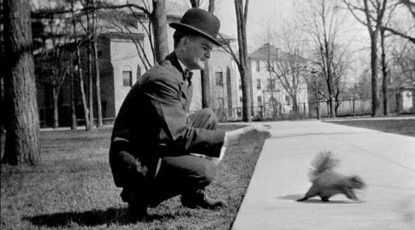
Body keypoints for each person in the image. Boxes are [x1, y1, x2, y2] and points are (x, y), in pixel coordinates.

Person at [109, 8, 271, 220]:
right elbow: (179, 135)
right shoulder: (163, 78)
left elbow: (175, 130)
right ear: (185, 43)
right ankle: (138, 196)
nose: (209, 54)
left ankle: (192, 196)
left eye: (210, 48)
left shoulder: (181, 75)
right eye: (205, 47)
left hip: (154, 145)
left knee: (207, 116)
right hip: (137, 159)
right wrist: (238, 137)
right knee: (205, 171)